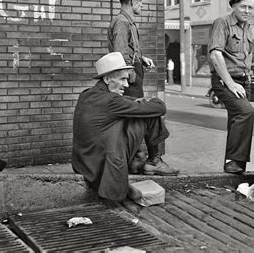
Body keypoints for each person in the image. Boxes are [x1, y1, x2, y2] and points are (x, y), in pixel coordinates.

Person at [72, 52, 179, 202]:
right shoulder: (111, 100)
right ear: (107, 79)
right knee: (149, 114)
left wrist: (138, 102)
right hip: (100, 168)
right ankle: (154, 161)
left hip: (83, 164)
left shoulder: (88, 94)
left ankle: (140, 160)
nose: (127, 85)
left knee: (133, 115)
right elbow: (160, 108)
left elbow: (126, 102)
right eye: (122, 79)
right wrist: (149, 101)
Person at [208, 0, 254, 174]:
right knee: (246, 113)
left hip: (244, 81)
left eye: (250, 7)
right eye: (243, 6)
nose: (247, 10)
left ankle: (235, 167)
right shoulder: (222, 23)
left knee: (237, 119)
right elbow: (215, 54)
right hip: (224, 80)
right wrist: (230, 84)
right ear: (234, 7)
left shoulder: (248, 28)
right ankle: (234, 161)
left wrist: (247, 79)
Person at [108, 0, 155, 98]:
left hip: (132, 74)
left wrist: (141, 58)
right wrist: (130, 75)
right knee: (134, 109)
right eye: (140, 1)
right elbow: (120, 52)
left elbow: (126, 48)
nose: (142, 5)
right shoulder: (122, 22)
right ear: (133, 1)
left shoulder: (127, 21)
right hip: (129, 78)